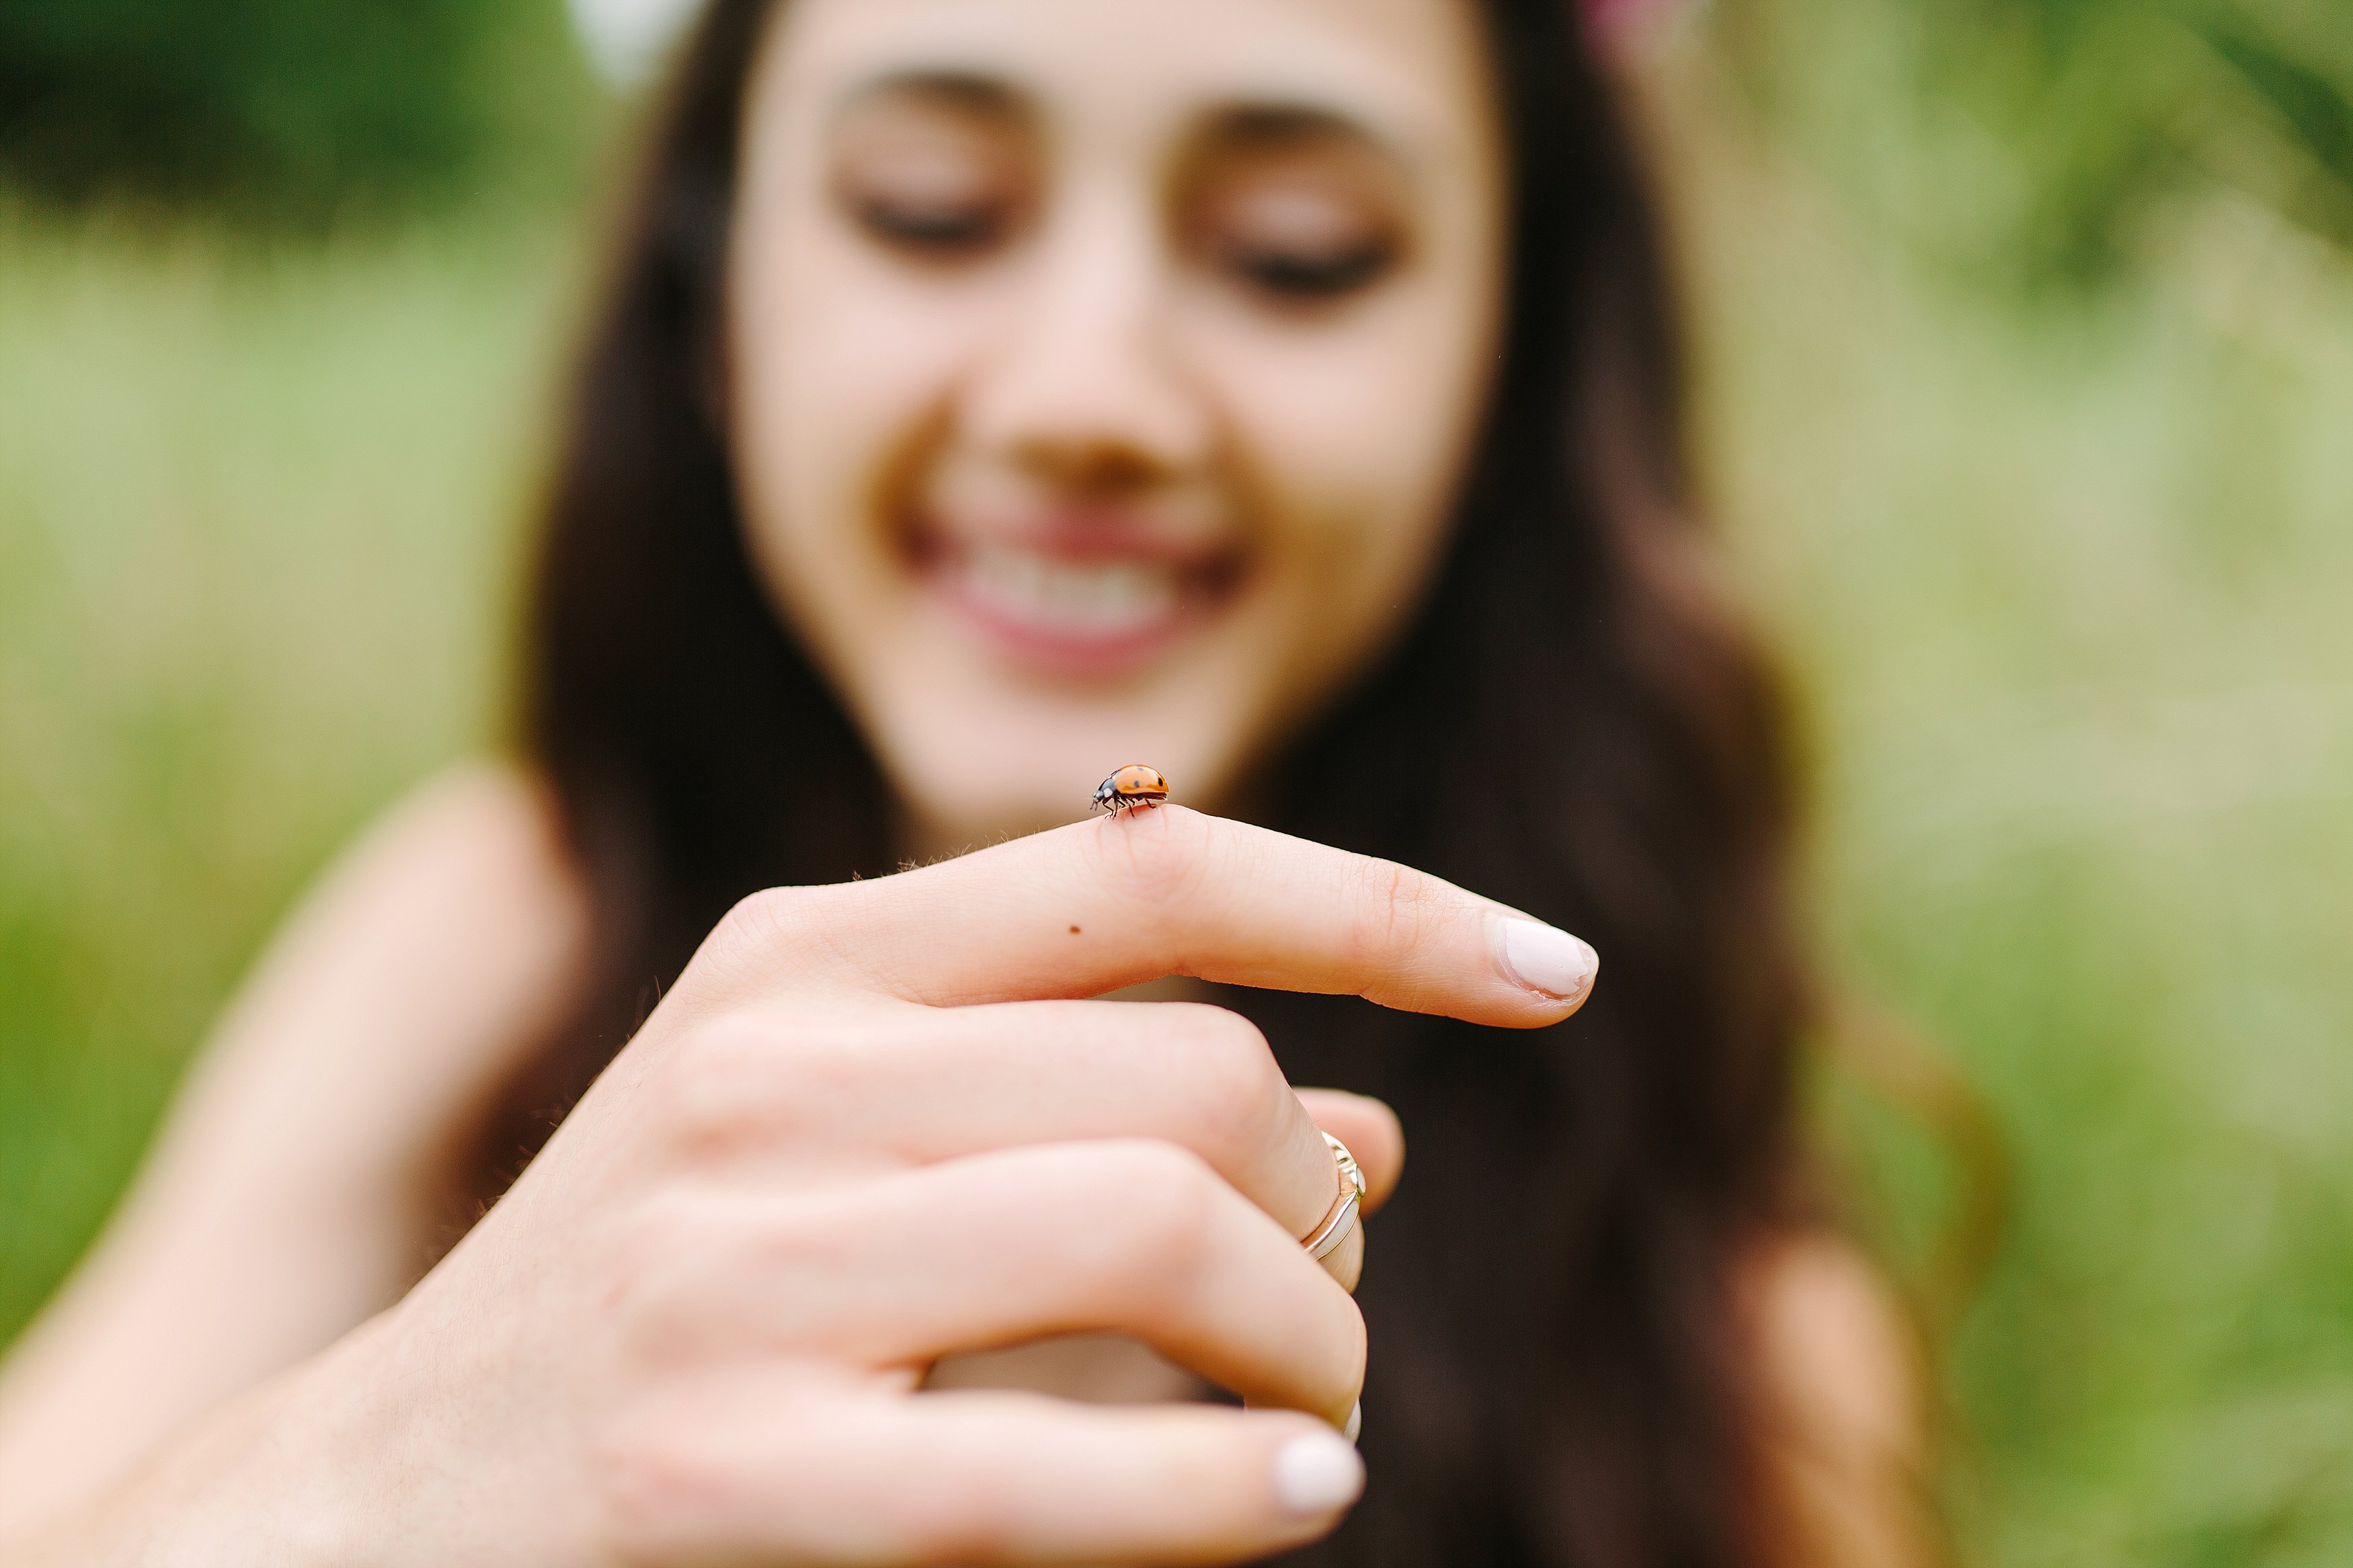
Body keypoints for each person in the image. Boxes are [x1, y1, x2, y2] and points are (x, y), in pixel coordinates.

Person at [0, 0, 1930, 1562]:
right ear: (715, 295)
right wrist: (370, 1478)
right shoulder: (490, 927)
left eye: (1297, 254)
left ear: (1507, 365)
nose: (1082, 395)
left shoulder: (1731, 1361)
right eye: (927, 208)